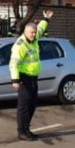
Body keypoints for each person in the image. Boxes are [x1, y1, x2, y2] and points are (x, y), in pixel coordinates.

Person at [10, 11, 53, 141]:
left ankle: (27, 128)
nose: (34, 35)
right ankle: (21, 131)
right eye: (31, 33)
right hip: (24, 78)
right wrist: (15, 80)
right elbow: (14, 63)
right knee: (24, 106)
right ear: (25, 32)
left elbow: (40, 28)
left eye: (34, 33)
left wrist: (46, 19)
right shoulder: (20, 45)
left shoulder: (34, 39)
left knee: (32, 104)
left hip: (33, 78)